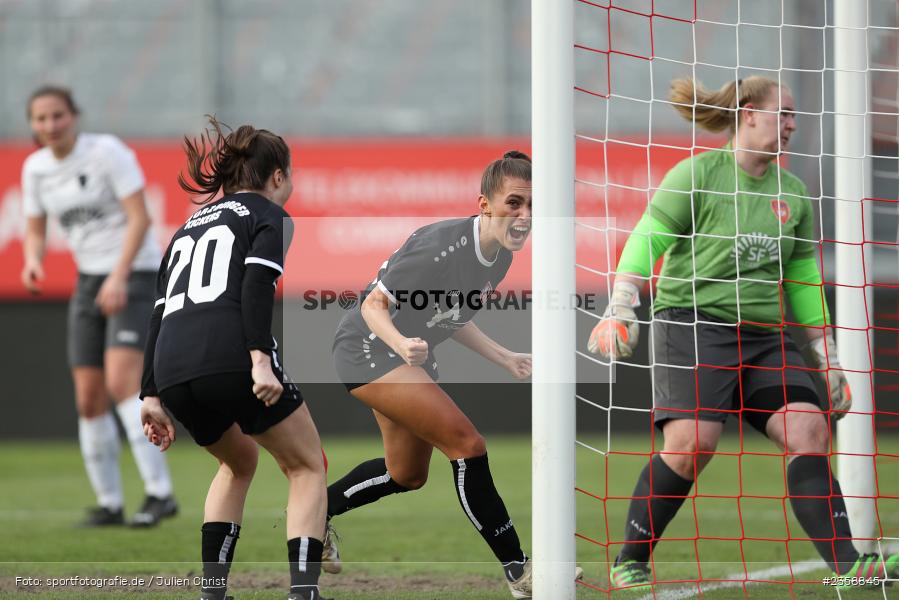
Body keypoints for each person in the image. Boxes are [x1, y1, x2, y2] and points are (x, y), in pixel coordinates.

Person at [588, 75, 898, 590]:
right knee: (691, 445)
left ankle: (850, 568)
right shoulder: (696, 175)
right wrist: (621, 306)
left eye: (796, 117)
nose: (792, 126)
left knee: (809, 429)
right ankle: (630, 560)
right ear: (749, 114)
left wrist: (829, 355)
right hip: (691, 325)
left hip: (762, 336)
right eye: (785, 115)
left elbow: (800, 279)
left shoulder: (793, 193)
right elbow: (646, 237)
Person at [324, 151, 580, 599]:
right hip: (368, 348)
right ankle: (520, 572)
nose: (524, 216)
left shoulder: (499, 253)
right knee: (467, 445)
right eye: (514, 203)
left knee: (406, 474)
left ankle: (313, 511)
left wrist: (503, 356)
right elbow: (372, 307)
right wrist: (402, 345)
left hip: (409, 356)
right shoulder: (440, 245)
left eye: (532, 206)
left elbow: (451, 316)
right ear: (484, 205)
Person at [139, 116, 329, 600]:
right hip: (232, 357)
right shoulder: (269, 215)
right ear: (279, 176)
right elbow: (256, 285)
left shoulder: (184, 229)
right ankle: (304, 592)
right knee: (307, 466)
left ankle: (213, 593)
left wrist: (150, 393)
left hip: (174, 369)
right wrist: (259, 359)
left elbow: (160, 312)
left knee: (238, 462)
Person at [20, 85, 177, 527]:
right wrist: (33, 259)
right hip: (90, 280)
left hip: (136, 272)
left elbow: (141, 217)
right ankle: (109, 502)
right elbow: (35, 228)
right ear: (32, 124)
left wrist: (118, 275)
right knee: (89, 398)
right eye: (41, 118)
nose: (50, 125)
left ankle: (159, 493)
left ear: (74, 116)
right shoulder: (35, 169)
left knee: (123, 383)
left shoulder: (106, 152)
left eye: (57, 116)